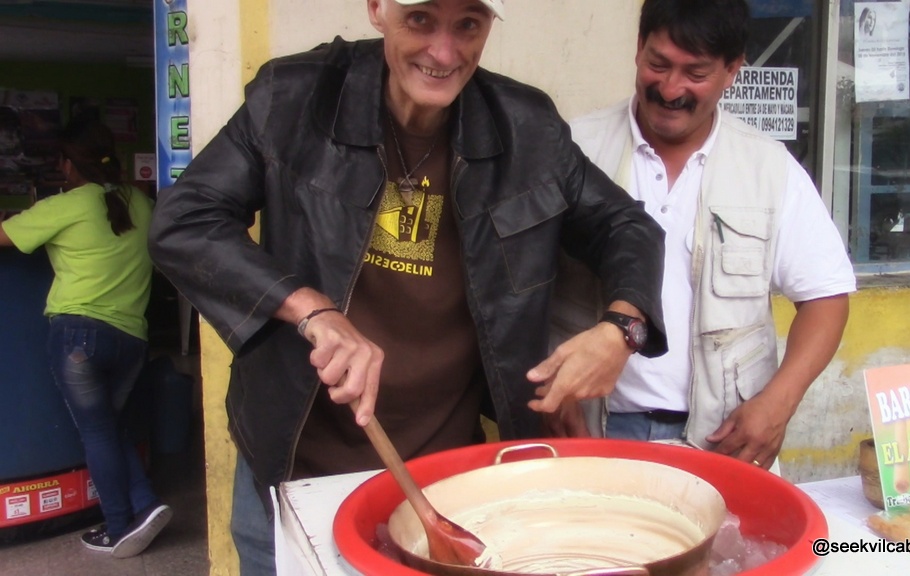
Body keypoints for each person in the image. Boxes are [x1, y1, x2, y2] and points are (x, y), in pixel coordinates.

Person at [147, 0, 667, 573]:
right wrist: (309, 309)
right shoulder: (292, 98)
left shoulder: (528, 128)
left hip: (445, 480)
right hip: (290, 467)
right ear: (377, 9)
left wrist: (623, 329)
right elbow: (184, 222)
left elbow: (626, 225)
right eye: (420, 18)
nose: (444, 53)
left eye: (468, 24)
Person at [551, 0, 856, 470]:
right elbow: (520, 287)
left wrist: (779, 402)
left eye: (695, 73)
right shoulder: (572, 149)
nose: (671, 88)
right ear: (637, 49)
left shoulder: (768, 168)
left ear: (733, 70)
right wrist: (550, 387)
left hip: (720, 441)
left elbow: (826, 296)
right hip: (592, 436)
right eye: (658, 64)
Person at [0, 119, 172, 557]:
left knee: (96, 433)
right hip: (131, 338)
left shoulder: (68, 205)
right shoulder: (139, 202)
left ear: (68, 165)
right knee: (109, 428)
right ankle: (146, 505)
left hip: (78, 337)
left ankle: (117, 526)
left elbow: (5, 236)